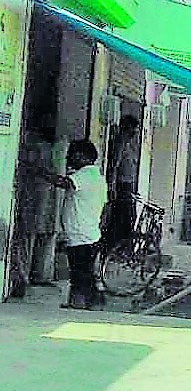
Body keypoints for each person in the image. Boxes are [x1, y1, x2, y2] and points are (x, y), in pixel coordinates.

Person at [51, 140, 107, 309]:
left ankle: (92, 301)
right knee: (80, 273)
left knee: (81, 273)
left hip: (81, 235)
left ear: (83, 156)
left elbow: (64, 183)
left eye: (72, 155)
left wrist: (38, 172)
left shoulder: (85, 175)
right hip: (87, 233)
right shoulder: (96, 177)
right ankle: (79, 302)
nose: (68, 158)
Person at [106, 115, 140, 245]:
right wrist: (112, 186)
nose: (135, 132)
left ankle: (120, 248)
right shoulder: (120, 143)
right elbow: (114, 166)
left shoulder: (129, 145)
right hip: (121, 186)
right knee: (122, 219)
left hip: (128, 186)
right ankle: (113, 247)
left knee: (130, 219)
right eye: (133, 129)